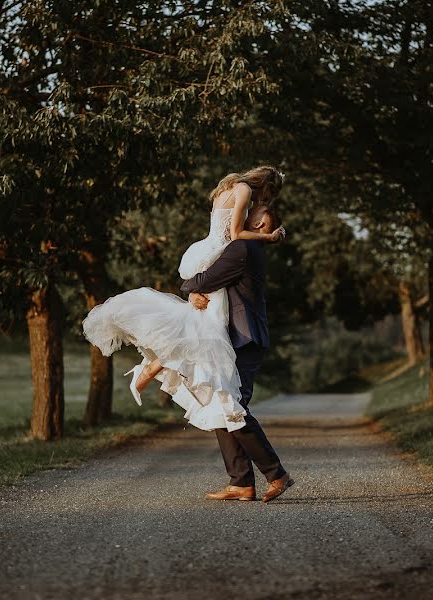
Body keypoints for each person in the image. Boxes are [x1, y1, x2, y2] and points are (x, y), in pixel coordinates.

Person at [82, 166, 286, 435]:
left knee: (200, 323)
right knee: (209, 331)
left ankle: (154, 368)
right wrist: (268, 237)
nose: (266, 201)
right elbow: (236, 235)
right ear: (266, 184)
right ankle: (166, 372)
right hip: (217, 254)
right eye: (270, 194)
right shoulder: (245, 190)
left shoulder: (229, 186)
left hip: (204, 251)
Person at [181, 203, 294, 503]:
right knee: (222, 403)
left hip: (246, 339)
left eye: (253, 215)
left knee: (233, 407)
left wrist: (188, 286)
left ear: (259, 226)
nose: (242, 214)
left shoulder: (242, 248)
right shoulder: (242, 247)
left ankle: (277, 474)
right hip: (235, 339)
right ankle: (241, 482)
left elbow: (206, 280)